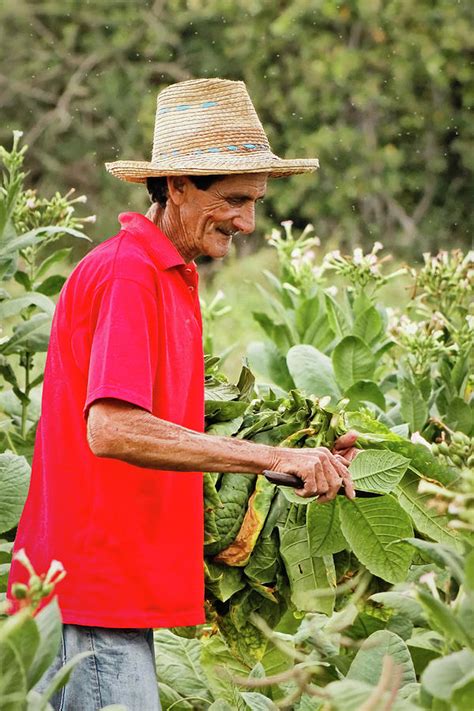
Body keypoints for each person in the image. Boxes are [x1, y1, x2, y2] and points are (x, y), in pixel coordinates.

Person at [8, 78, 357, 710]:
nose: (248, 221)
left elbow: (166, 429)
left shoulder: (170, 276)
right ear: (175, 186)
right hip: (89, 595)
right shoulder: (128, 274)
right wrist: (271, 458)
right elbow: (111, 428)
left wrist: (304, 455)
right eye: (233, 199)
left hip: (113, 594)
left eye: (256, 201)